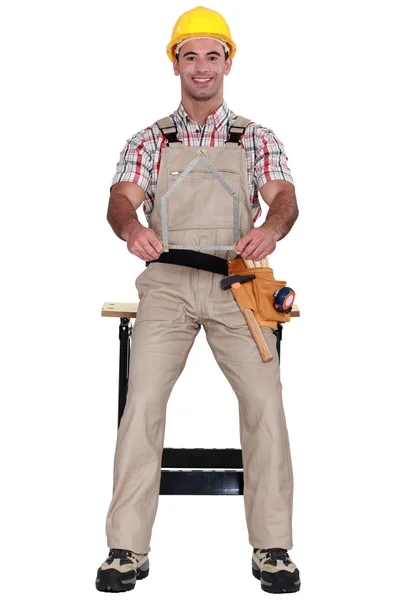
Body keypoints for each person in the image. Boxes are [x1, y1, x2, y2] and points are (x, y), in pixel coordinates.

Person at [96, 6, 300, 595]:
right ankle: (125, 548)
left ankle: (273, 546)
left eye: (213, 56)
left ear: (228, 62)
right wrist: (129, 228)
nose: (202, 67)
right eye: (191, 56)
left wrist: (275, 229)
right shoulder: (149, 139)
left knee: (265, 404)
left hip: (238, 283)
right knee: (143, 406)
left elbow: (283, 196)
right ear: (176, 64)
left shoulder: (256, 137)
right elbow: (119, 200)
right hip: (166, 283)